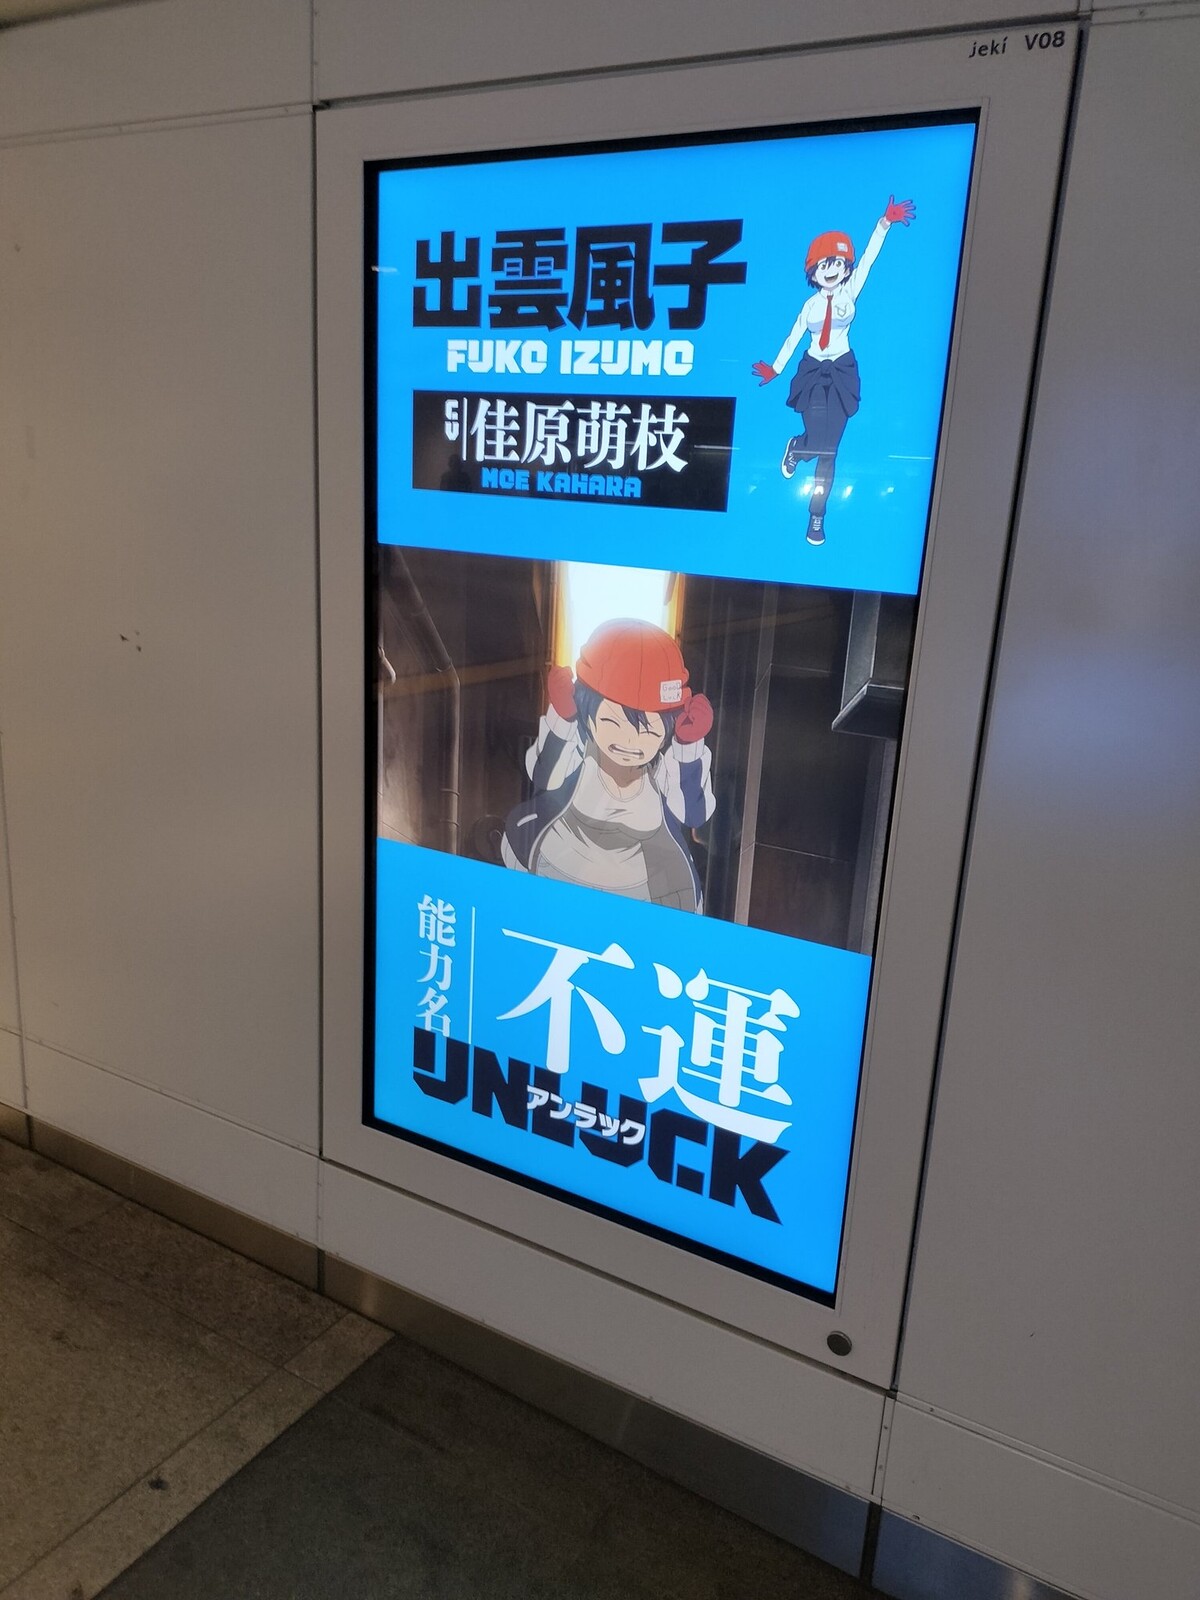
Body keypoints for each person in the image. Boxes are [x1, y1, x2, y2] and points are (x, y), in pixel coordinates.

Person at [502, 618, 715, 912]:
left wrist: (688, 745)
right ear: (587, 714)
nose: (630, 741)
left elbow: (693, 812)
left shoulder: (664, 772)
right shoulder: (578, 751)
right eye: (612, 722)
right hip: (556, 871)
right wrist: (562, 718)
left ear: (668, 729)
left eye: (649, 731)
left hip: (645, 895)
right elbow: (544, 776)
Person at [752, 195, 915, 546]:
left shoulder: (850, 292)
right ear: (813, 270)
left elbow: (869, 258)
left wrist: (884, 224)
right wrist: (776, 369)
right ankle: (798, 448)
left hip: (842, 370)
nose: (831, 269)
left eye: (838, 263)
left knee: (831, 450)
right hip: (812, 372)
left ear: (845, 267)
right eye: (825, 263)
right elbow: (794, 335)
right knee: (817, 442)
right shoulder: (810, 305)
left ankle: (817, 516)